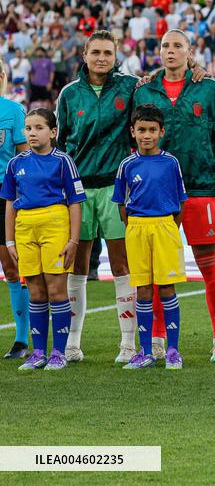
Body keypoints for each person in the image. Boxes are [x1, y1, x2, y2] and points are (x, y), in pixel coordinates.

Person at [134, 30, 215, 362]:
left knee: (210, 265)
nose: (170, 51)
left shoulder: (209, 88)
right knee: (156, 271)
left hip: (199, 187)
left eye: (177, 45)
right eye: (165, 45)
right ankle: (156, 340)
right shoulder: (144, 91)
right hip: (156, 193)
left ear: (189, 51)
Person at [56, 30, 139, 364]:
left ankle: (128, 344)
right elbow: (61, 144)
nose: (102, 58)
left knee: (121, 263)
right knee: (77, 264)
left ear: (116, 55)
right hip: (78, 189)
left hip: (117, 189)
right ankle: (72, 344)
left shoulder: (130, 86)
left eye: (108, 52)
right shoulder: (69, 94)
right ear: (85, 55)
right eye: (96, 52)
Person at [2, 108, 86, 370]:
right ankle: (38, 352)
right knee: (35, 291)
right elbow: (10, 204)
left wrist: (73, 241)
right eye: (28, 128)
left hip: (55, 223)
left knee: (56, 289)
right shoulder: (16, 163)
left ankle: (58, 353)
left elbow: (75, 203)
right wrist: (10, 241)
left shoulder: (63, 161)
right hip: (25, 227)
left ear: (53, 132)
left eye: (39, 128)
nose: (32, 133)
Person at [112, 105, 188, 370]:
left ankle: (173, 351)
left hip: (164, 226)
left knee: (166, 288)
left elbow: (181, 201)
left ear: (161, 132)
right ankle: (145, 351)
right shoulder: (126, 165)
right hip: (137, 228)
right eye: (141, 130)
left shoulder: (171, 162)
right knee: (143, 289)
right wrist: (134, 226)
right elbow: (122, 204)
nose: (147, 135)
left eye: (152, 130)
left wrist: (169, 227)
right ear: (132, 132)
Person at [0, 64, 29, 360]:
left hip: (3, 195)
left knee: (12, 267)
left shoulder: (13, 111)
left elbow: (23, 159)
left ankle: (21, 339)